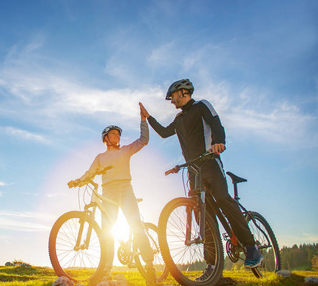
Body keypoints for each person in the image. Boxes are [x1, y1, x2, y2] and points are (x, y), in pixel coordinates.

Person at [140, 79, 263, 280]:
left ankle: (251, 247)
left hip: (210, 162)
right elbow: (163, 133)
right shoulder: (179, 119)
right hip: (193, 170)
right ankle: (213, 267)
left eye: (172, 97)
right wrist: (147, 118)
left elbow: (216, 123)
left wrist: (219, 142)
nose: (171, 101)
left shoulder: (201, 106)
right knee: (203, 216)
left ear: (182, 92)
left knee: (223, 199)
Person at [69, 103, 157, 285]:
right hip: (107, 192)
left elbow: (143, 140)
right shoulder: (100, 157)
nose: (117, 136)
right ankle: (106, 272)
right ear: (105, 139)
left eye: (119, 134)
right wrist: (78, 181)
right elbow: (89, 173)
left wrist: (143, 120)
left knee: (136, 226)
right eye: (113, 134)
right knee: (106, 233)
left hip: (125, 190)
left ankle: (149, 267)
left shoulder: (125, 151)